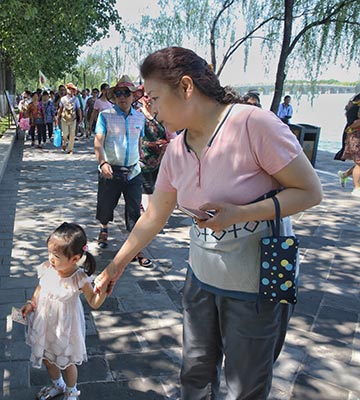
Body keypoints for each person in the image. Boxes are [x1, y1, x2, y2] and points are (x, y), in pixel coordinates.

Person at [94, 47, 322, 399]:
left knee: (245, 385)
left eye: (154, 97)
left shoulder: (252, 124)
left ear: (186, 87)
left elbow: (309, 192)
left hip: (260, 283)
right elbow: (154, 215)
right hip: (201, 280)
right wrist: (115, 267)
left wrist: (242, 213)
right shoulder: (176, 150)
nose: (149, 108)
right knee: (195, 377)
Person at [21, 222, 106, 400]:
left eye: (56, 255)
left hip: (65, 328)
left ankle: (71, 390)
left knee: (67, 362)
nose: (51, 258)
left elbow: (94, 301)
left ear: (74, 259)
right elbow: (40, 287)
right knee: (47, 357)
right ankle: (57, 384)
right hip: (45, 323)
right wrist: (31, 303)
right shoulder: (47, 268)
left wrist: (103, 290)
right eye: (50, 252)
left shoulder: (79, 278)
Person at [94, 75, 153, 268]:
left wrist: (140, 160)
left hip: (133, 172)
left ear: (134, 96)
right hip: (110, 171)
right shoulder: (106, 116)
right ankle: (104, 228)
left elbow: (139, 141)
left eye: (126, 93)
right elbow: (98, 142)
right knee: (105, 205)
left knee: (134, 210)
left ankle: (135, 248)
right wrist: (103, 163)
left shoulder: (139, 117)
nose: (122, 97)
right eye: (118, 93)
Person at [136, 87, 171, 211]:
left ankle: (150, 213)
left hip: (160, 160)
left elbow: (172, 135)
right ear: (141, 98)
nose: (149, 99)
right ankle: (147, 216)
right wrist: (149, 144)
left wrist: (167, 144)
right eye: (146, 96)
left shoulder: (161, 115)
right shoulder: (137, 115)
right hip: (142, 159)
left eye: (152, 96)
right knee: (147, 188)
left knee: (156, 188)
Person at [335, 93, 360, 195]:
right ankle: (357, 188)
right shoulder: (355, 107)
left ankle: (345, 174)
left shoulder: (353, 105)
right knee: (359, 162)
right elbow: (355, 123)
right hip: (356, 137)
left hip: (354, 135)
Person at [56, 83, 82, 154]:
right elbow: (60, 109)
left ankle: (70, 149)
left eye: (72, 89)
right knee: (65, 134)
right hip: (64, 118)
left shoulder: (76, 99)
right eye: (69, 89)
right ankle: (64, 143)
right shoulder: (63, 99)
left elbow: (78, 109)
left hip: (73, 119)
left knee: (72, 134)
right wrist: (57, 117)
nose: (71, 90)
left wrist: (80, 117)